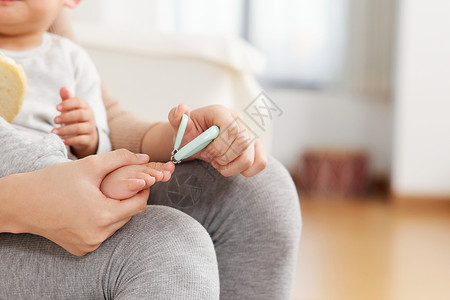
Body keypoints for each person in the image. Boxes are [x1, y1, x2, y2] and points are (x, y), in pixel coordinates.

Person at [0, 1, 302, 300]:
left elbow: (109, 123)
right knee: (168, 244)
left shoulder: (67, 56)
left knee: (256, 189)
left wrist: (175, 138)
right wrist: (33, 195)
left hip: (72, 178)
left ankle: (97, 179)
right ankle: (89, 179)